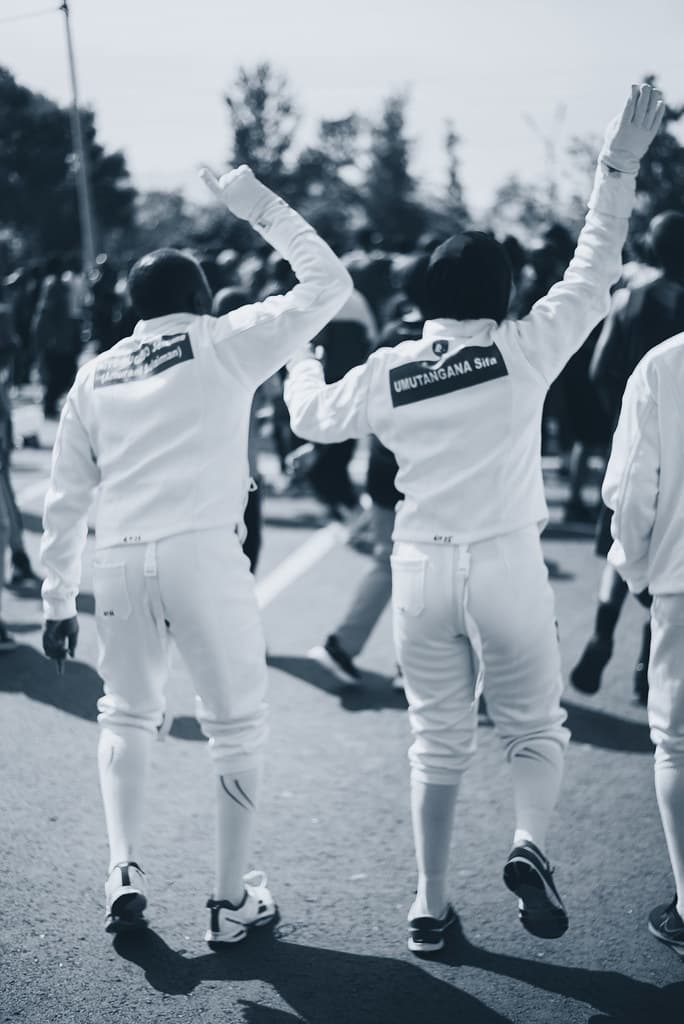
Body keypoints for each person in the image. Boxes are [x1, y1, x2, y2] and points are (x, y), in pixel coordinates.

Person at [284, 85, 664, 954]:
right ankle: (528, 843)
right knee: (535, 726)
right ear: (502, 291)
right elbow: (595, 262)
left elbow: (309, 418)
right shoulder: (525, 348)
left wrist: (303, 359)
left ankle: (428, 907)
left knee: (435, 742)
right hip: (505, 562)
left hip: (419, 566)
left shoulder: (389, 369)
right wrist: (617, 163)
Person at [39, 164, 352, 941]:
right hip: (202, 554)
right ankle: (229, 899)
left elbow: (64, 496)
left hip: (117, 561)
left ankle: (122, 867)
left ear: (133, 307)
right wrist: (256, 205)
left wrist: (56, 600)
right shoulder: (224, 340)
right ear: (204, 298)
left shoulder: (94, 375)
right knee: (236, 727)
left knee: (125, 714)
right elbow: (329, 284)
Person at [571, 210, 684, 703]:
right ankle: (646, 665)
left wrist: (623, 421)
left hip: (636, 436)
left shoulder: (630, 299)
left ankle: (601, 634)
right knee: (671, 554)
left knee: (621, 541)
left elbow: (600, 370)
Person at [602, 330, 684, 959]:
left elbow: (631, 489)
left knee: (678, 743)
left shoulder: (666, 362)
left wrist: (635, 571)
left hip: (682, 576)